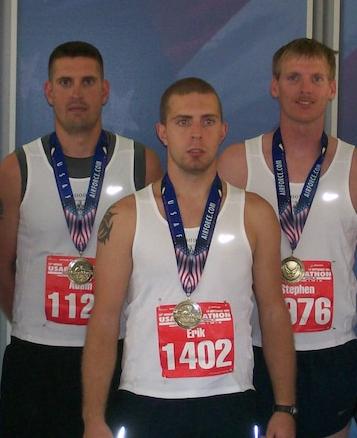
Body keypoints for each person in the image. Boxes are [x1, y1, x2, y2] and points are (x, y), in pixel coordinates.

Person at [82, 77, 297, 438]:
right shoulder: (125, 217)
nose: (196, 134)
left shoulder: (256, 214)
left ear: (223, 130)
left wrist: (284, 407)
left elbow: (274, 312)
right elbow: (104, 320)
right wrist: (93, 418)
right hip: (146, 399)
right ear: (163, 132)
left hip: (230, 398)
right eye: (183, 122)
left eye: (207, 121)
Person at [217, 37, 357, 438]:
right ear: (275, 86)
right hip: (254, 347)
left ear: (332, 88)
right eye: (293, 77)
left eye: (316, 78)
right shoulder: (236, 163)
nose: (305, 89)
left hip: (330, 352)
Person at [0, 40, 163, 438]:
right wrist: (33, 324)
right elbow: (1, 265)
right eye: (65, 82)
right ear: (49, 92)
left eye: (88, 82)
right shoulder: (19, 167)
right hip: (37, 358)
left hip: (119, 354)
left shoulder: (141, 163)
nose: (77, 93)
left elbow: (155, 267)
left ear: (105, 91)